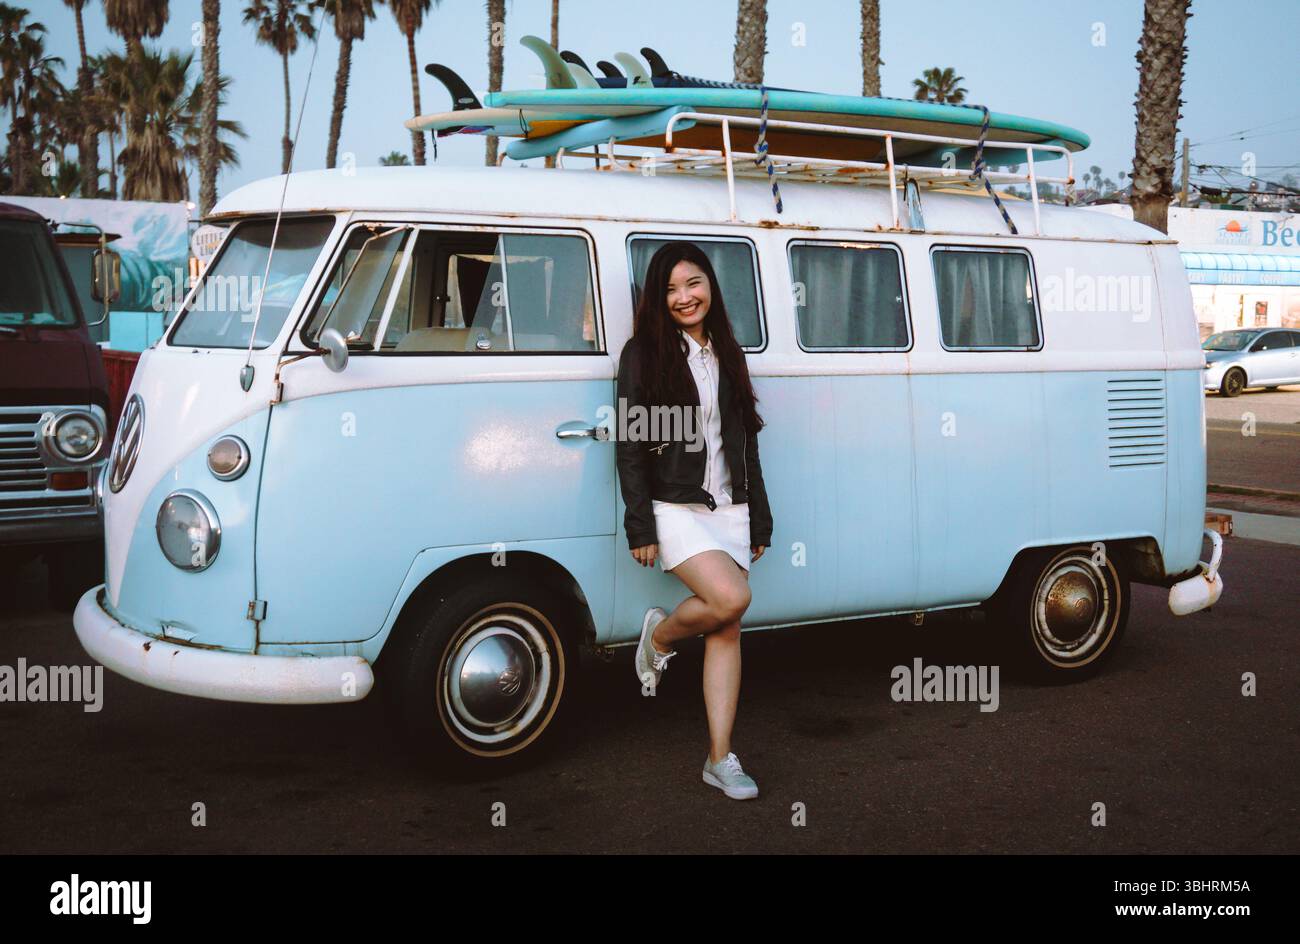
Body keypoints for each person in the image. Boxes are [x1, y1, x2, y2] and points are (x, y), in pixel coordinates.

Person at [615, 241, 773, 800]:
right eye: (671, 289)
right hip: (675, 506)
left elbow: (746, 443)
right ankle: (659, 636)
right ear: (659, 299)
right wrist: (641, 527)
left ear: (710, 285)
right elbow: (631, 447)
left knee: (726, 627)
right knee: (731, 599)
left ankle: (719, 758)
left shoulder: (728, 351)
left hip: (729, 508)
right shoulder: (644, 354)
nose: (685, 297)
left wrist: (759, 519)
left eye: (694, 283)